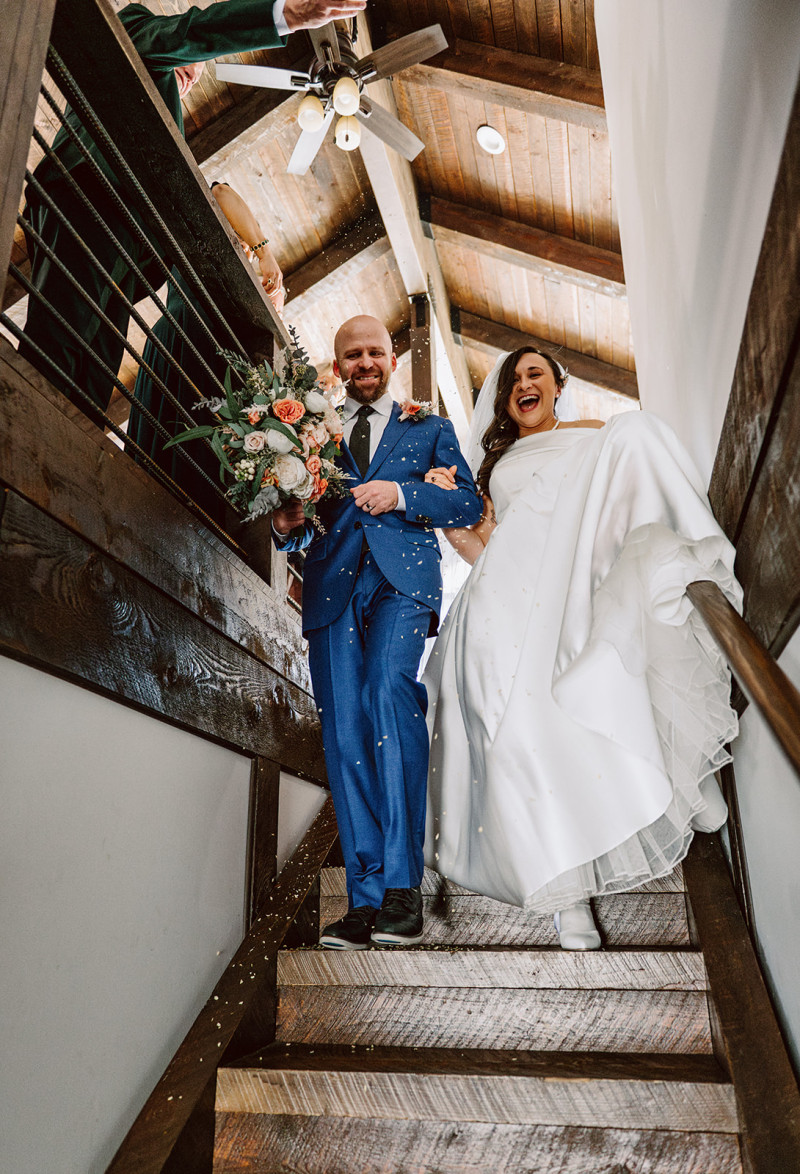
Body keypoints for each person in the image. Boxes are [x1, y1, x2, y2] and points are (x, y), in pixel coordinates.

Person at [423, 346, 741, 950]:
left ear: (558, 385)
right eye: (514, 379)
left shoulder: (595, 434)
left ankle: (677, 775)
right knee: (523, 720)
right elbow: (482, 547)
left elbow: (618, 496)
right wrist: (449, 508)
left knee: (638, 435)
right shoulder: (492, 467)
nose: (524, 384)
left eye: (535, 373)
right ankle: (567, 895)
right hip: (517, 587)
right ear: (503, 399)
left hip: (578, 576)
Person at [19, 0, 364, 424]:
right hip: (89, 198)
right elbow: (185, 34)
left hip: (129, 251)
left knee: (93, 375)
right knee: (55, 345)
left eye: (196, 72)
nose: (192, 75)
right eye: (193, 63)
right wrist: (283, 16)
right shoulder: (138, 36)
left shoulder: (166, 130)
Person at [271, 315, 482, 949]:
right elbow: (304, 527)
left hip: (403, 583)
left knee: (390, 695)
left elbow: (466, 503)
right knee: (344, 732)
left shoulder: (431, 427)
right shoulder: (311, 433)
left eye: (374, 352)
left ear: (392, 358)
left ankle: (401, 888)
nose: (364, 363)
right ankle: (363, 899)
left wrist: (402, 492)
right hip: (333, 589)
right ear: (337, 367)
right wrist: (286, 526)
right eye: (351, 355)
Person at [127, 181, 284, 525]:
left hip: (209, 356)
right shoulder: (204, 229)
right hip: (184, 336)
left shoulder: (243, 278)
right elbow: (223, 192)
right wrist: (264, 253)